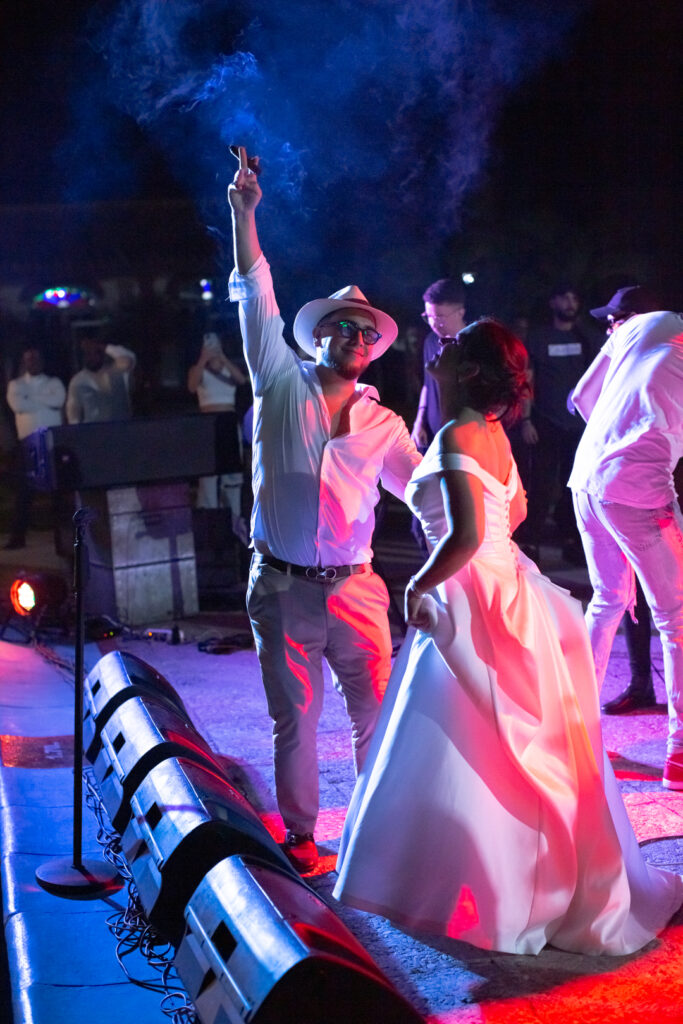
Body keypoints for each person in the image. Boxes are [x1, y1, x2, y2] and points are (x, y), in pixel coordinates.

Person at [333, 318, 683, 955]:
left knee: (468, 747)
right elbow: (514, 509)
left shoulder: (454, 433)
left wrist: (420, 584)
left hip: (472, 595)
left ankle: (497, 894)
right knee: (505, 749)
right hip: (507, 586)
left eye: (449, 349)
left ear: (466, 371)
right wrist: (492, 554)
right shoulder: (492, 431)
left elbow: (464, 537)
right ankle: (522, 883)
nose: (435, 353)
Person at [227, 148, 421, 872]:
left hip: (357, 588)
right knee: (295, 724)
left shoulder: (384, 423)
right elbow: (253, 292)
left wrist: (483, 484)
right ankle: (304, 838)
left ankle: (374, 838)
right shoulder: (277, 380)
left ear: (372, 349)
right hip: (279, 585)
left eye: (366, 332)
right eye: (345, 326)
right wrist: (244, 211)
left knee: (375, 716)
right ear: (320, 334)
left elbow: (427, 494)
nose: (356, 338)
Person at [568, 288, 683, 787]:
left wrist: (616, 437)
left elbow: (579, 398)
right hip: (634, 488)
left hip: (585, 479)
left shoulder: (640, 325)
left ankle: (578, 735)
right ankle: (679, 754)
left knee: (608, 598)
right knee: (676, 618)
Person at [583, 289, 657, 716]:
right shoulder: (623, 357)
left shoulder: (657, 359)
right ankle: (641, 683)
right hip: (621, 482)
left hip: (647, 481)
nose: (609, 328)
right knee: (625, 595)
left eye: (617, 319)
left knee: (637, 598)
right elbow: (580, 399)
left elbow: (580, 398)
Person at [519, 284, 600, 562]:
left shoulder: (589, 337)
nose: (570, 302)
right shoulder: (539, 338)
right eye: (564, 296)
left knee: (574, 485)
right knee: (540, 485)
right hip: (545, 424)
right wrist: (526, 418)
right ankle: (531, 541)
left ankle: (571, 539)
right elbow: (527, 379)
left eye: (574, 296)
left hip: (580, 428)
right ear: (553, 302)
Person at [187, 329, 248, 541]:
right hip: (208, 425)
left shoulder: (228, 369)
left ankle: (235, 526)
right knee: (209, 477)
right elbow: (192, 386)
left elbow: (242, 380)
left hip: (229, 423)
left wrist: (221, 357)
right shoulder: (198, 370)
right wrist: (203, 359)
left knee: (231, 477)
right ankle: (211, 529)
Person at [4, 345, 65, 549]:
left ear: (42, 361)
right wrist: (44, 400)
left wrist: (31, 399)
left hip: (51, 443)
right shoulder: (15, 385)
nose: (33, 362)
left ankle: (62, 538)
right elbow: (18, 406)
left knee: (58, 494)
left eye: (36, 358)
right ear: (24, 362)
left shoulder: (54, 382)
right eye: (29, 359)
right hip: (28, 444)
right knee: (25, 494)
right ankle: (18, 538)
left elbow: (58, 400)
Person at [410, 278, 467, 453]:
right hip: (434, 432)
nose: (434, 323)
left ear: (460, 312)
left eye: (440, 316)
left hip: (464, 436)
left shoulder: (474, 343)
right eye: (429, 317)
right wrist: (419, 421)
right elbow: (428, 384)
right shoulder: (431, 340)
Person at [65, 332, 136, 423]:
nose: (91, 357)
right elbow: (73, 410)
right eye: (87, 353)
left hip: (123, 430)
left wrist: (102, 346)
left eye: (95, 352)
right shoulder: (78, 380)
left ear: (103, 353)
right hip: (94, 433)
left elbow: (129, 358)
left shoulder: (118, 370)